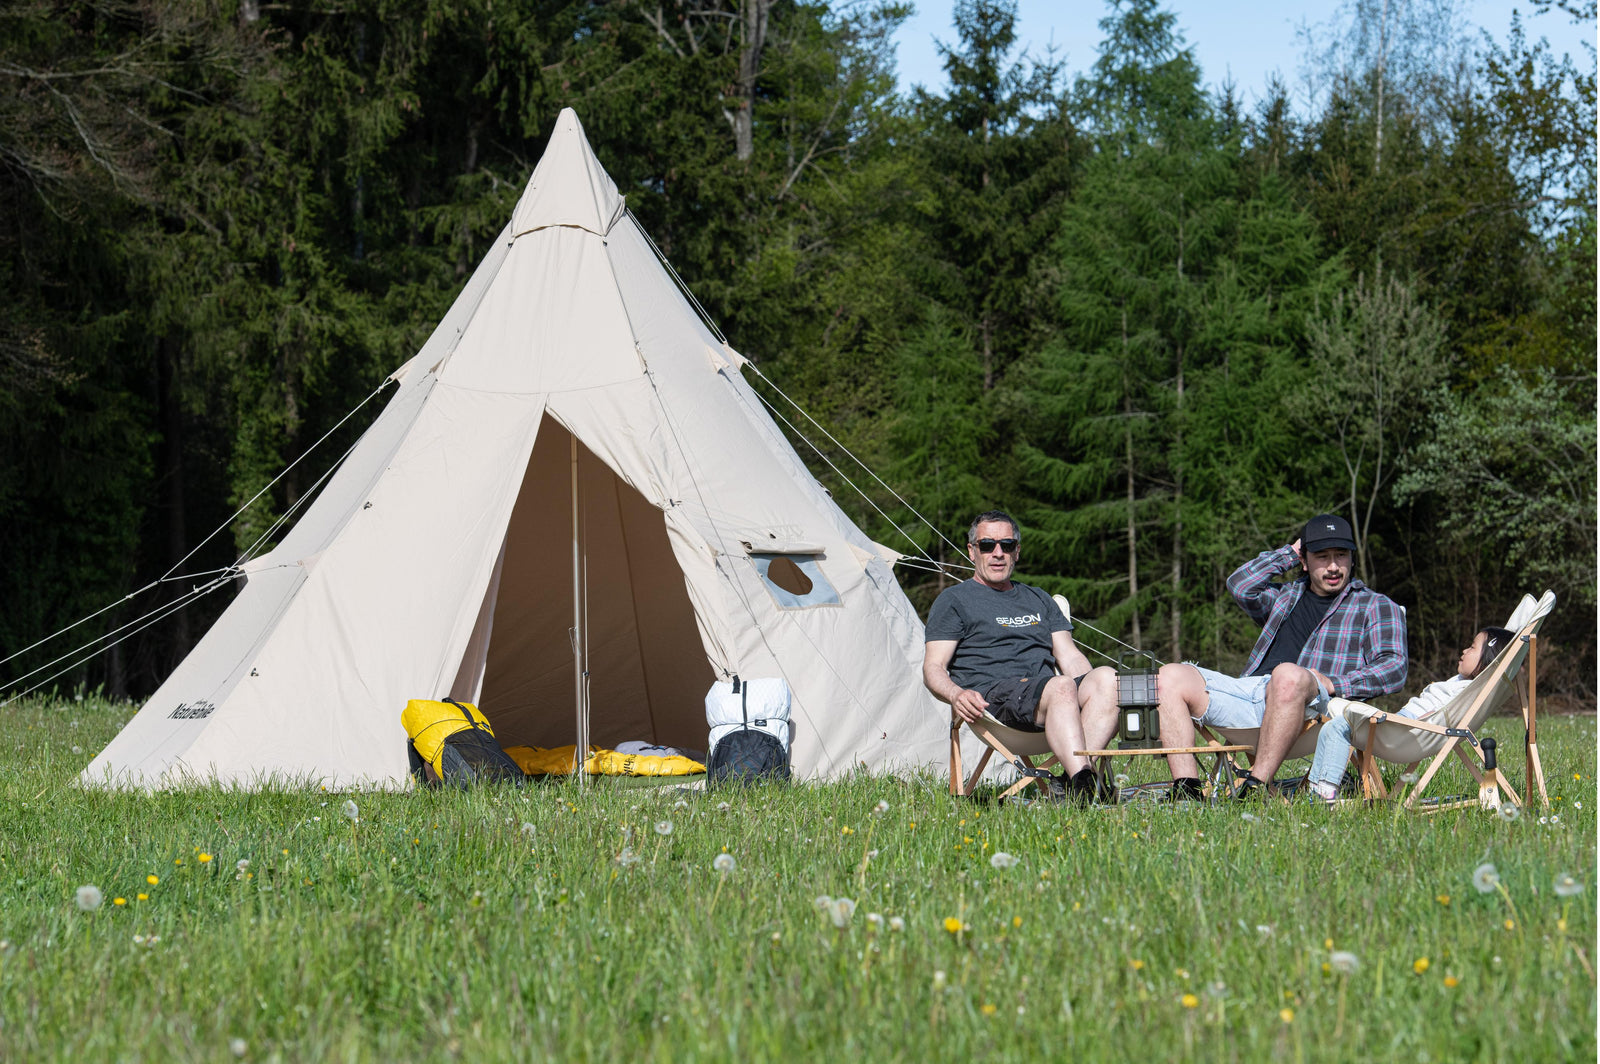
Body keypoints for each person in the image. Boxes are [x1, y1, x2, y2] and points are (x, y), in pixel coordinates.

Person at [1153, 513, 1408, 800]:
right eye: (1322, 556)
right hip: (1251, 694)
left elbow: (1394, 667)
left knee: (1287, 674)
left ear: (1352, 558)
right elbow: (1240, 585)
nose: (1334, 566)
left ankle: (1256, 787)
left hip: (1312, 704)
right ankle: (1187, 789)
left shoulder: (1374, 605)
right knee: (1168, 675)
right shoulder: (1284, 597)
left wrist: (1334, 683)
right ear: (1305, 559)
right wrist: (1289, 553)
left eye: (1341, 555)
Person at [923, 510, 1119, 802]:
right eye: (987, 545)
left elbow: (1069, 655)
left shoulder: (1038, 598)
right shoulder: (954, 600)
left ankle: (1073, 781)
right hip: (994, 702)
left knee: (1109, 678)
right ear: (972, 552)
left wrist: (1091, 689)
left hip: (1047, 699)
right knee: (1062, 685)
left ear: (1017, 551)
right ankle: (1085, 790)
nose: (998, 553)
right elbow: (933, 667)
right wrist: (956, 694)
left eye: (1007, 545)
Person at [1304, 625, 1514, 802]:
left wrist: (1405, 722)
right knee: (1336, 724)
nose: (1464, 651)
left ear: (1488, 659)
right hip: (1405, 726)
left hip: (1408, 729)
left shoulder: (1467, 691)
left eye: (1472, 647)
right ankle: (1320, 789)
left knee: (1339, 720)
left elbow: (1437, 713)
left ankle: (1325, 792)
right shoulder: (1462, 683)